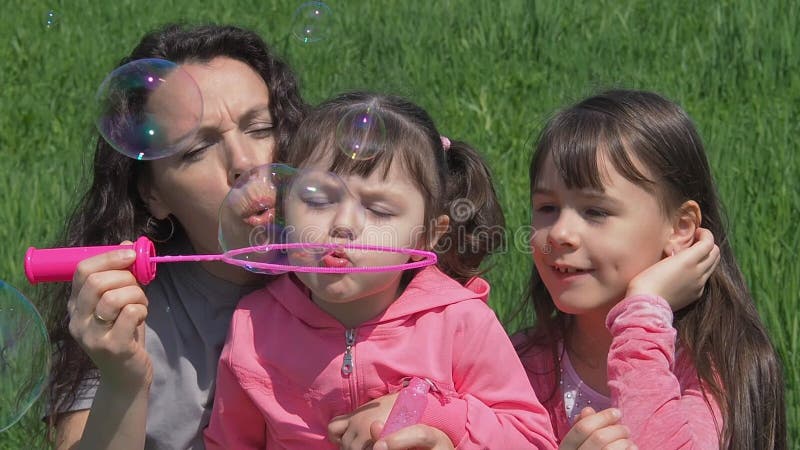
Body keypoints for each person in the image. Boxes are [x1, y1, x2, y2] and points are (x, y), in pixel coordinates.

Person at [203, 92, 559, 449]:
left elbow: (531, 439)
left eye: (379, 210)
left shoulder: (460, 323)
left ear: (427, 235)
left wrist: (435, 416)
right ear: (284, 207)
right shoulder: (255, 325)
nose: (342, 225)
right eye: (317, 199)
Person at [43, 23, 306, 450]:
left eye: (260, 129)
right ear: (153, 193)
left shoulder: (355, 268)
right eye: (196, 150)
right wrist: (123, 382)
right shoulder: (120, 309)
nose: (243, 163)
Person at [514, 89, 786, 449]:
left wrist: (644, 311)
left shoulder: (715, 370)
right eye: (547, 207)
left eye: (595, 211)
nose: (561, 233)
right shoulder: (518, 364)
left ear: (680, 228)